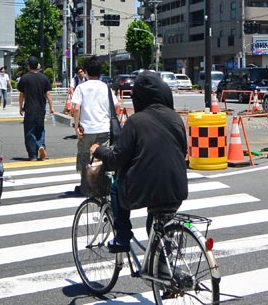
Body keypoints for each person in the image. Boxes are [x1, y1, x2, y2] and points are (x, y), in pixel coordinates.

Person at [90, 71, 188, 253]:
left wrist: (99, 150)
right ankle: (162, 262)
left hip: (147, 187)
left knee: (116, 188)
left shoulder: (135, 121)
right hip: (177, 186)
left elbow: (116, 158)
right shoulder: (175, 118)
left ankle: (122, 237)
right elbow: (183, 151)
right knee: (158, 227)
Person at [71, 57, 116, 193]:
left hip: (86, 130)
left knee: (84, 157)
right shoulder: (106, 88)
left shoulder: (81, 88)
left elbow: (76, 108)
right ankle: (102, 185)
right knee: (103, 157)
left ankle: (85, 185)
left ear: (85, 72)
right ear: (100, 72)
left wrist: (76, 127)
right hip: (104, 129)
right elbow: (116, 106)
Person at [18, 56, 54, 161]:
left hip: (29, 108)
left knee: (29, 131)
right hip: (41, 109)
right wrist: (51, 107)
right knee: (40, 129)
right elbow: (48, 94)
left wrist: (20, 107)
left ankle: (32, 154)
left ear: (29, 66)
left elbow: (21, 95)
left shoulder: (24, 78)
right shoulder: (44, 78)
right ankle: (41, 145)